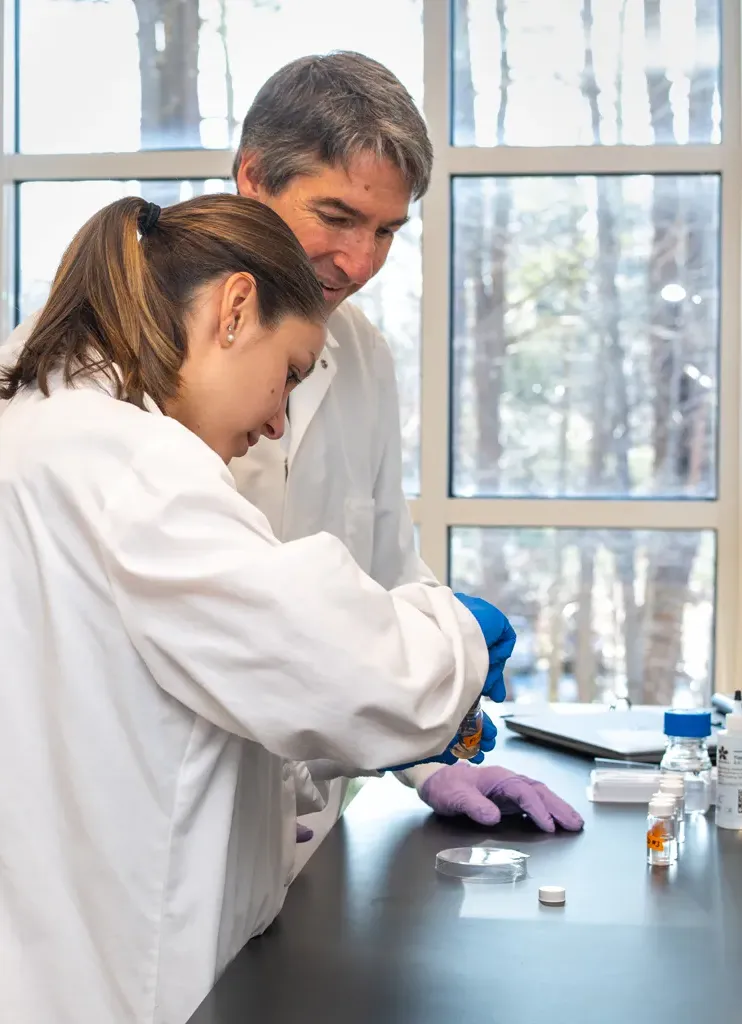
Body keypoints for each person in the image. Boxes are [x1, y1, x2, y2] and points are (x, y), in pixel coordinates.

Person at [0, 193, 506, 1024]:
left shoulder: (44, 425)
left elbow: (139, 709)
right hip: (128, 976)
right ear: (236, 308)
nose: (277, 421)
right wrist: (460, 636)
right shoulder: (140, 470)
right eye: (290, 375)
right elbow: (363, 679)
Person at [229, 51, 584, 838]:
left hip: (310, 834)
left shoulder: (361, 350)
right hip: (168, 831)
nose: (361, 263)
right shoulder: (109, 356)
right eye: (337, 217)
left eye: (387, 229)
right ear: (253, 178)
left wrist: (435, 752)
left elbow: (383, 574)